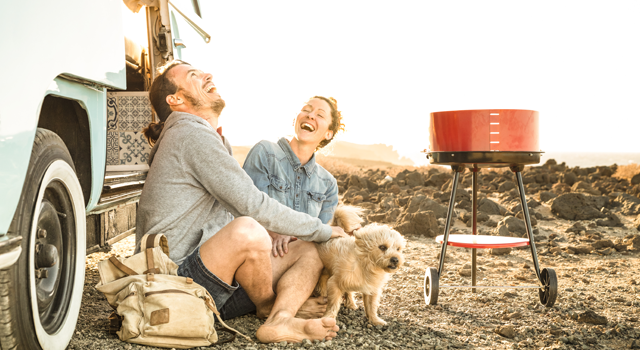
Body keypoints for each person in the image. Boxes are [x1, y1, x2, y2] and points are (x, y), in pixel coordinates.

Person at [136, 60, 347, 343]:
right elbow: (252, 205)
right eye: (193, 75)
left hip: (213, 280)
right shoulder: (189, 134)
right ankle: (268, 305)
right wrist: (321, 229)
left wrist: (302, 235)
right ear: (176, 99)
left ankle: (279, 319)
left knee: (310, 249)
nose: (207, 74)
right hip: (176, 284)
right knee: (248, 229)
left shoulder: (209, 138)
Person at [242, 96, 347, 258]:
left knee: (314, 255)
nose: (310, 115)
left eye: (320, 115)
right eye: (306, 110)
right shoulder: (265, 153)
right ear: (294, 120)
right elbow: (250, 210)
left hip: (302, 258)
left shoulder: (328, 184)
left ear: (328, 133)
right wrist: (276, 233)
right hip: (259, 252)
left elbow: (322, 236)